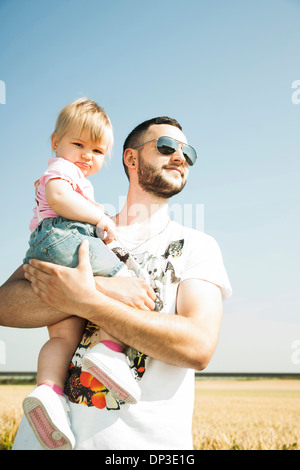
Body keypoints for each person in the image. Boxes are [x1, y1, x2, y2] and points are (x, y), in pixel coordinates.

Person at [0, 116, 232, 450]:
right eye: (167, 147)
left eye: (188, 153)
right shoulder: (78, 230)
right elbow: (5, 305)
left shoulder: (198, 246)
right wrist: (103, 288)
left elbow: (198, 346)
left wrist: (88, 300)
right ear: (131, 158)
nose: (180, 157)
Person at [21, 98, 147, 450]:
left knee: (64, 334)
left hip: (49, 244)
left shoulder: (71, 170)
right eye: (78, 144)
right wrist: (99, 217)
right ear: (55, 143)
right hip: (62, 237)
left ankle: (48, 392)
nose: (86, 155)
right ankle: (107, 352)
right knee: (127, 281)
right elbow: (59, 199)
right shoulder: (61, 170)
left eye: (97, 150)